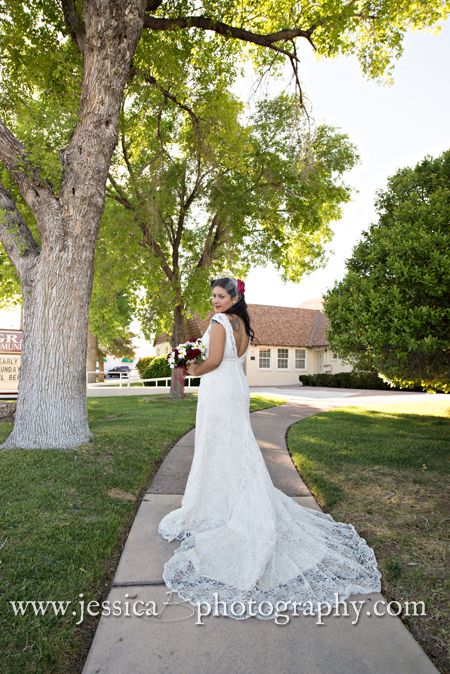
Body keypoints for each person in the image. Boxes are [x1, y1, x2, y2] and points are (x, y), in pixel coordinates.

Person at [158, 276, 382, 620]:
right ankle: (230, 501)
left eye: (221, 295)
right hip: (236, 387)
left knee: (219, 445)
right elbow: (234, 357)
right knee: (234, 446)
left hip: (219, 387)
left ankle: (220, 508)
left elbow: (215, 360)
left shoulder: (220, 322)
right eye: (213, 296)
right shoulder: (243, 324)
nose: (216, 301)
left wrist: (191, 369)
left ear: (233, 296)